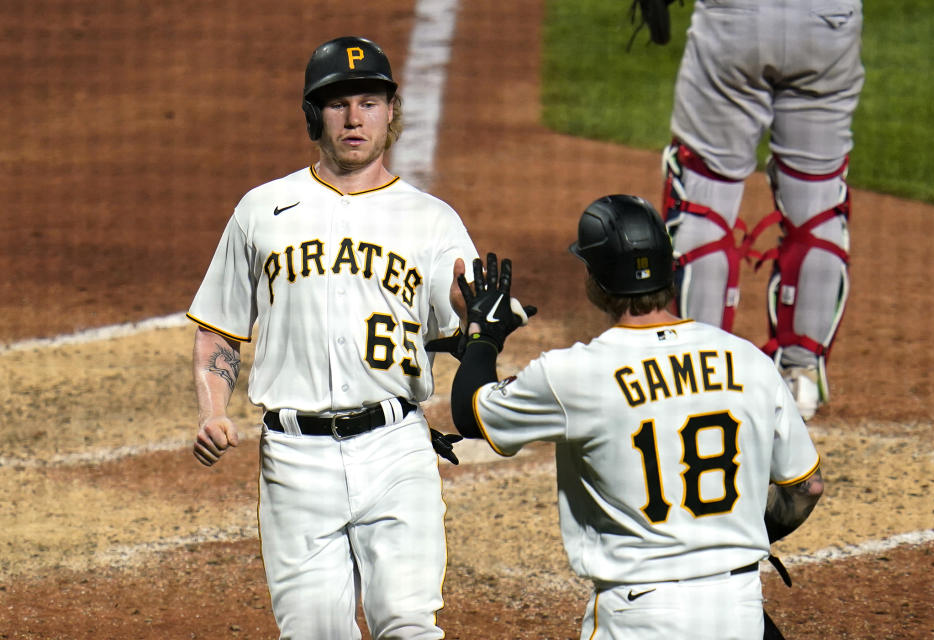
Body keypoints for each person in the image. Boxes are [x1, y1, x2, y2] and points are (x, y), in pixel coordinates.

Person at [187, 35, 477, 639]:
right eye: (338, 103)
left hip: (396, 448)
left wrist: (470, 305)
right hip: (295, 458)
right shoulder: (262, 209)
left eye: (369, 102)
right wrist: (212, 411)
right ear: (313, 114)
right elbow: (220, 325)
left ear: (391, 112)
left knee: (407, 624)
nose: (354, 118)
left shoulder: (432, 219)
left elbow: (458, 309)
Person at [443, 195, 824, 639]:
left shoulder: (575, 373)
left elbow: (471, 412)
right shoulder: (748, 360)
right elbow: (806, 487)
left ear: (595, 279)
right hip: (738, 607)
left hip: (640, 615)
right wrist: (727, 538)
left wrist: (483, 333)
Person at [660, 0, 865, 419]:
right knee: (818, 200)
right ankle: (801, 377)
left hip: (735, 18)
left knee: (705, 196)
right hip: (828, 20)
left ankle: (700, 381)